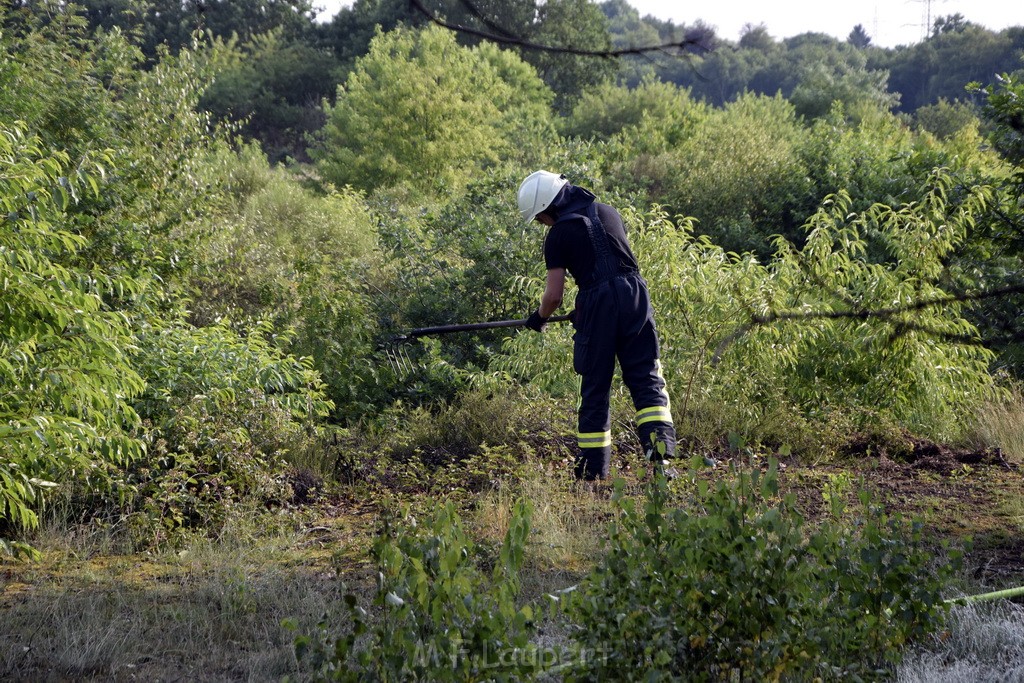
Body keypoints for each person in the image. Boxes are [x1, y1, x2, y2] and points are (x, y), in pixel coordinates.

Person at [517, 170, 677, 481]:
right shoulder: (608, 212)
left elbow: (553, 296)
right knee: (646, 377)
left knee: (595, 386)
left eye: (539, 218)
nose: (541, 224)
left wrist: (539, 318)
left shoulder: (558, 236)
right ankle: (661, 464)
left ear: (549, 208)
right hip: (635, 296)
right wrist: (590, 307)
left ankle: (592, 474)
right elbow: (611, 264)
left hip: (598, 302)